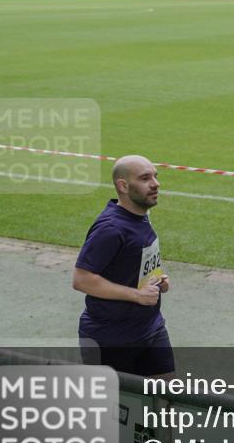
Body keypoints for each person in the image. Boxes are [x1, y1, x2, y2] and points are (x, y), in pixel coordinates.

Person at [73, 155, 174, 377]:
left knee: (167, 394)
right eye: (145, 178)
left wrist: (156, 280)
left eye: (155, 177)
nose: (156, 184)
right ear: (123, 186)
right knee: (115, 408)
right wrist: (137, 295)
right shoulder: (111, 228)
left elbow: (134, 260)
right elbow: (81, 279)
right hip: (111, 338)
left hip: (150, 327)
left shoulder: (141, 215)